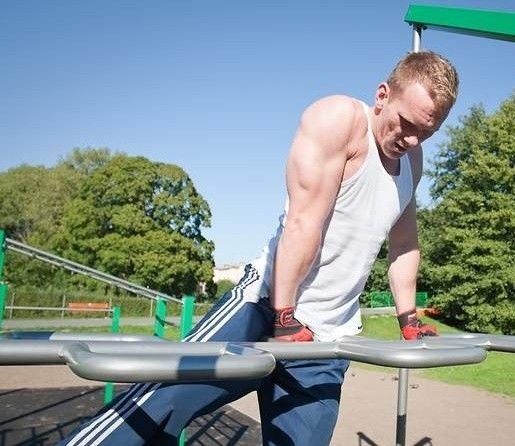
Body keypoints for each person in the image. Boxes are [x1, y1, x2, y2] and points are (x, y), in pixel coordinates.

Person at [60, 50, 459, 446]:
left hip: (327, 337)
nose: (411, 139)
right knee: (154, 407)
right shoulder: (341, 120)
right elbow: (305, 221)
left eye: (426, 132)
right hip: (265, 304)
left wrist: (408, 317)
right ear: (383, 95)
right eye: (406, 124)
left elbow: (405, 243)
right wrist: (284, 315)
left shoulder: (413, 161)